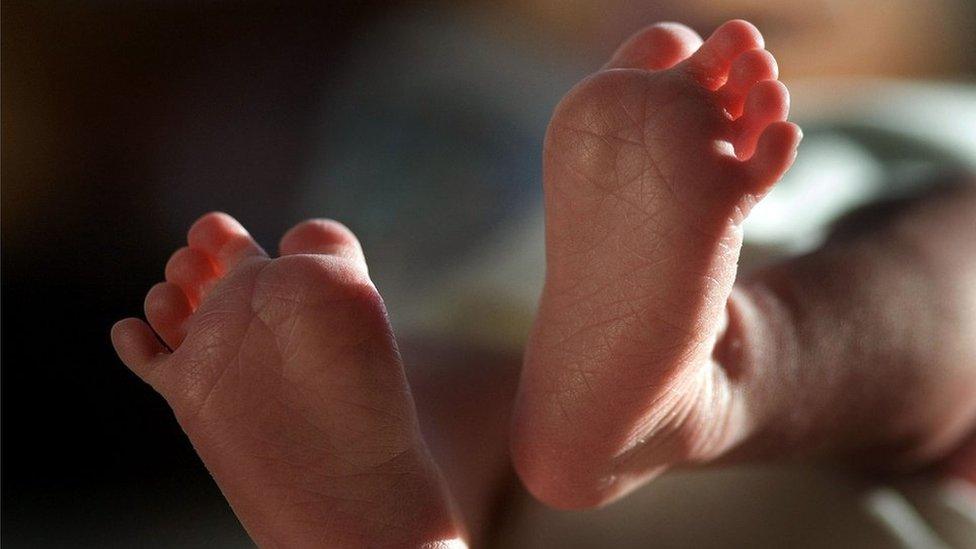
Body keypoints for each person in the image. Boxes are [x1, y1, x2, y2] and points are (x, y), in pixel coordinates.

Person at [110, 20, 975, 547]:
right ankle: (697, 376)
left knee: (458, 373)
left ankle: (436, 481)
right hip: (623, 333)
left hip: (565, 356)